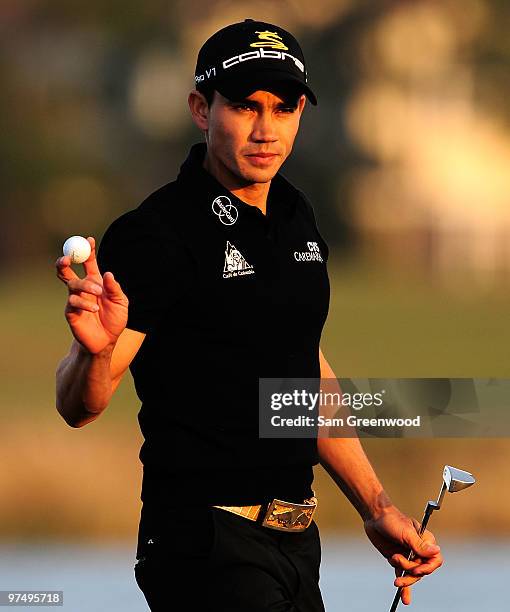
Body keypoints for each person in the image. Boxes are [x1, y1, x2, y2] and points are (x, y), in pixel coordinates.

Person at [55, 19, 443, 611]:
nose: (266, 130)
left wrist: (377, 507)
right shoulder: (157, 233)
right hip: (202, 541)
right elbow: (80, 406)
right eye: (244, 106)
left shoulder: (296, 216)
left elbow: (301, 375)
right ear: (201, 109)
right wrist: (93, 350)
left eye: (283, 108)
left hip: (293, 543)